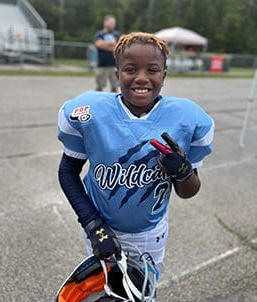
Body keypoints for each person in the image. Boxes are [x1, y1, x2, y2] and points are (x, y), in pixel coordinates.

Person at [57, 32, 214, 278]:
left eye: (152, 70)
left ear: (164, 75)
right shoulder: (92, 112)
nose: (141, 78)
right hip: (101, 228)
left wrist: (183, 172)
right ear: (118, 72)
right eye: (131, 69)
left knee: (144, 292)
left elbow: (188, 191)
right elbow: (67, 172)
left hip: (150, 235)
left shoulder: (186, 118)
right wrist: (92, 225)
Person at [93, 15, 120, 92]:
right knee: (99, 86)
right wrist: (112, 44)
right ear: (105, 23)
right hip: (102, 65)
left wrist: (105, 45)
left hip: (115, 65)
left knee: (115, 87)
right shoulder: (99, 34)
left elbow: (118, 47)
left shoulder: (117, 34)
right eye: (111, 23)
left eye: (114, 23)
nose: (113, 25)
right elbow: (98, 44)